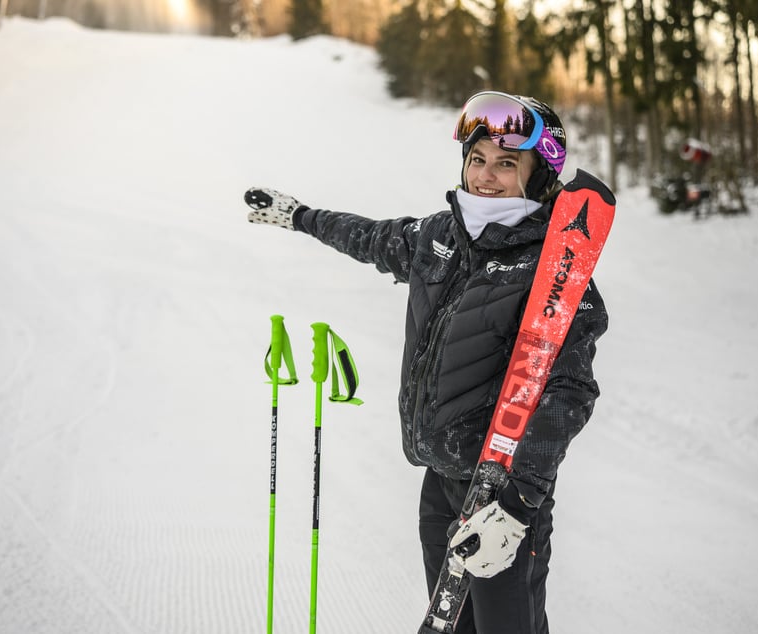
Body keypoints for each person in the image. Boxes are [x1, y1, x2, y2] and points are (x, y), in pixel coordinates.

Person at [243, 90, 607, 634]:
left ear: (538, 175)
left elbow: (568, 395)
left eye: (507, 164)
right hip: (440, 482)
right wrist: (300, 216)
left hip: (502, 497)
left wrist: (517, 503)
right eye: (477, 159)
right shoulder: (440, 235)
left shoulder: (553, 267)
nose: (486, 175)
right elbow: (368, 237)